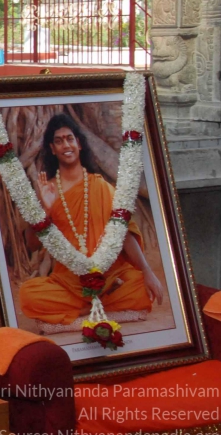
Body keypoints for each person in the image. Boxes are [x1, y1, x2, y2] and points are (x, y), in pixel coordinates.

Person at [18, 113, 165, 325]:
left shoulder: (101, 186)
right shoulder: (48, 190)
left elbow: (123, 234)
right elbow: (32, 244)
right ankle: (94, 307)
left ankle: (84, 309)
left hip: (109, 276)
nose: (66, 145)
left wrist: (147, 271)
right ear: (52, 149)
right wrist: (46, 211)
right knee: (28, 294)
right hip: (69, 281)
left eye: (69, 138)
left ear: (79, 144)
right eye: (58, 141)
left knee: (140, 285)